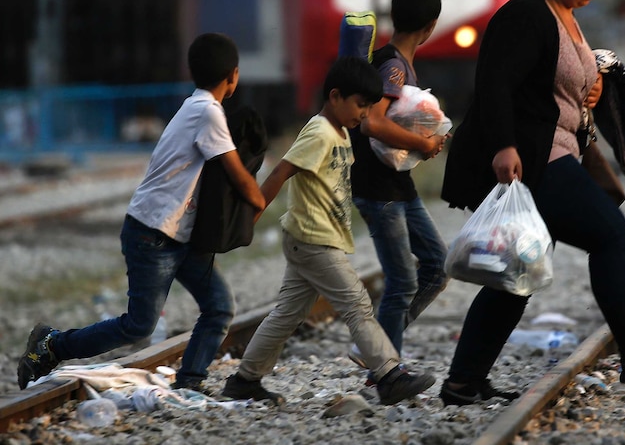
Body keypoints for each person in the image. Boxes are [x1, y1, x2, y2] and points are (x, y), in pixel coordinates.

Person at [438, 0, 625, 406]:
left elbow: (557, 84)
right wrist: (503, 146)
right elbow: (494, 83)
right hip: (531, 160)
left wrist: (592, 92)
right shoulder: (525, 15)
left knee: (516, 274)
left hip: (554, 152)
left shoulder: (567, 17)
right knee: (611, 236)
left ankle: (463, 381)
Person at [17, 33, 267, 392]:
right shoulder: (207, 113)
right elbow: (237, 176)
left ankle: (190, 382)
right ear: (234, 75)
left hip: (176, 234)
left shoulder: (196, 106)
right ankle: (52, 344)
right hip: (153, 234)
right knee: (138, 325)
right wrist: (259, 200)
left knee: (219, 307)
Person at [220, 56, 436, 406]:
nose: (364, 114)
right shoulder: (318, 131)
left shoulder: (341, 132)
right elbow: (280, 173)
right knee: (357, 303)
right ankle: (387, 374)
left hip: (318, 237)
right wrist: (250, 216)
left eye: (369, 107)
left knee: (287, 313)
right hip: (311, 238)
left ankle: (244, 380)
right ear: (335, 96)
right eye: (360, 105)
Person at [348, 0, 449, 366]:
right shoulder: (393, 66)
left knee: (437, 266)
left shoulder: (397, 63)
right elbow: (372, 123)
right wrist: (424, 144)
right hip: (378, 189)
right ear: (430, 27)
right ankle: (385, 368)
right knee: (403, 281)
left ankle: (377, 347)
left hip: (396, 186)